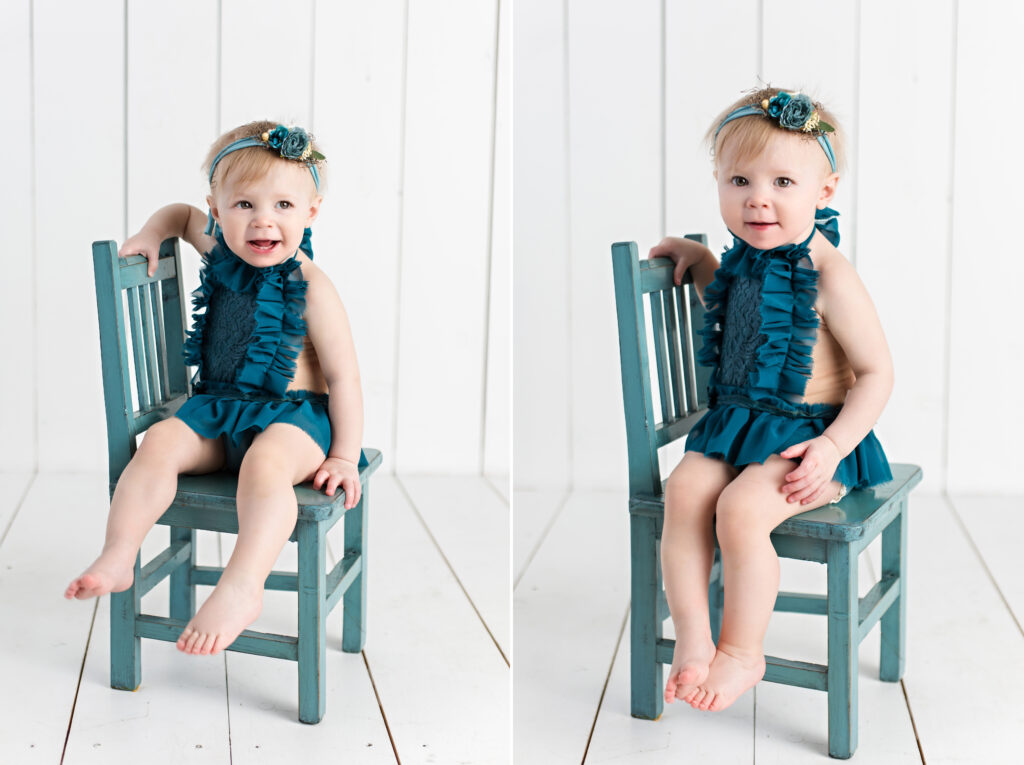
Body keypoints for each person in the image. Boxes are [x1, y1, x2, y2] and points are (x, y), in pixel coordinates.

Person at [65, 120, 365, 657]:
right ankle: (118, 553)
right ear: (219, 209)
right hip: (219, 410)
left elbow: (344, 377)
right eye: (244, 205)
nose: (262, 220)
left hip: (293, 420)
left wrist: (343, 455)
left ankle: (243, 584)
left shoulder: (311, 285)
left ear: (311, 213)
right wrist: (151, 232)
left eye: (283, 206)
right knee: (157, 444)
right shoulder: (221, 252)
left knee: (265, 465)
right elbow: (179, 215)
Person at [649, 88, 892, 712]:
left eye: (784, 180)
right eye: (739, 179)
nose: (758, 197)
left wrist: (832, 447)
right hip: (738, 428)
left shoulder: (831, 275)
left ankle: (741, 651)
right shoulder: (743, 261)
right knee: (684, 491)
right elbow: (728, 309)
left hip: (809, 441)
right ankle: (694, 639)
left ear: (825, 190)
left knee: (740, 510)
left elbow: (876, 373)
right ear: (719, 183)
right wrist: (701, 258)